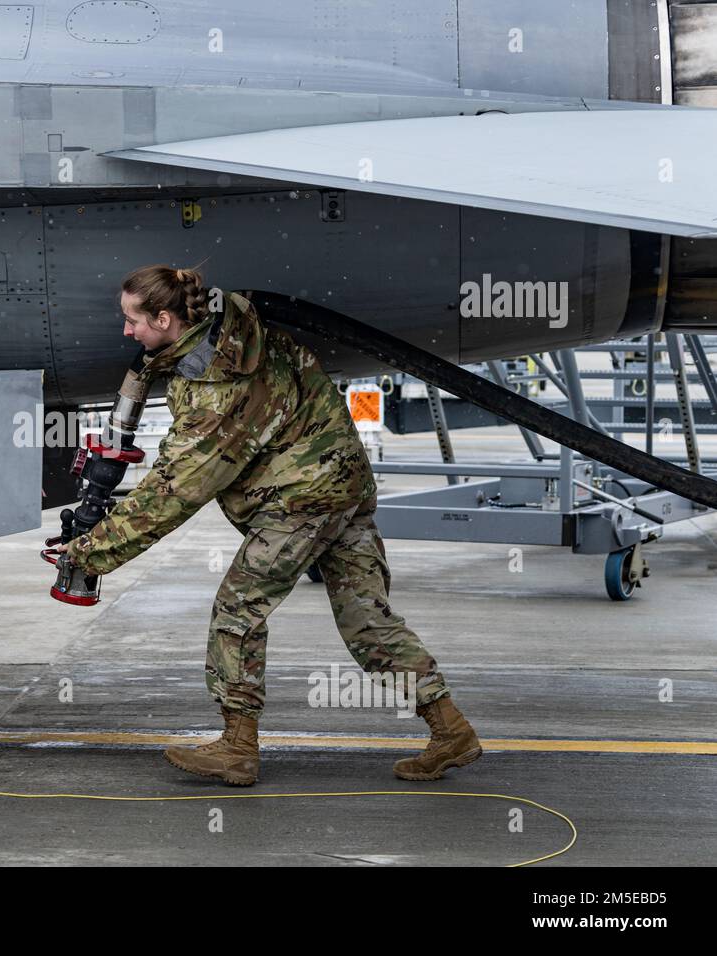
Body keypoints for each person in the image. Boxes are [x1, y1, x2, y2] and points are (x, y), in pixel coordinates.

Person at [58, 264, 481, 786]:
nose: (126, 332)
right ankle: (450, 729)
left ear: (164, 318)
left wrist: (88, 553)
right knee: (366, 618)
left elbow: (174, 492)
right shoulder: (233, 328)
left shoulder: (216, 386)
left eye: (133, 321)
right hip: (343, 486)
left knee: (238, 610)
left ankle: (238, 747)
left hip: (300, 501)